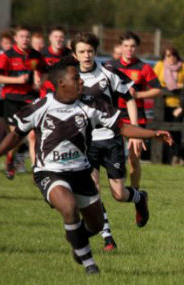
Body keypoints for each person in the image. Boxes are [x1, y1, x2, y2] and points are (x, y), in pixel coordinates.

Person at [0, 58, 172, 274]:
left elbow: (122, 127)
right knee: (69, 209)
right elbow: (16, 134)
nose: (81, 82)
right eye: (76, 78)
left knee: (96, 226)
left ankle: (77, 241)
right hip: (49, 172)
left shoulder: (90, 105)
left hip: (80, 173)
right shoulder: (42, 106)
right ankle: (90, 265)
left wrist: (153, 134)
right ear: (61, 83)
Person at [71, 32, 145, 252]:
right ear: (75, 54)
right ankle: (107, 237)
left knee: (119, 194)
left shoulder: (108, 72)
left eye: (90, 51)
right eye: (82, 52)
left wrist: (134, 131)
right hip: (87, 142)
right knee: (93, 191)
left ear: (95, 52)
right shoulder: (70, 76)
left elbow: (130, 98)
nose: (86, 56)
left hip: (111, 139)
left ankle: (140, 197)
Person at [107, 31, 162, 189]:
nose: (129, 49)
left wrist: (138, 94)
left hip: (136, 117)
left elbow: (158, 90)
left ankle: (135, 190)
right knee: (113, 155)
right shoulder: (110, 66)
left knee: (134, 158)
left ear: (136, 48)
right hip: (114, 116)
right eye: (125, 46)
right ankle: (117, 187)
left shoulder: (144, 67)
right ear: (120, 47)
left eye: (132, 46)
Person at [0, 26, 46, 179]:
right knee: (16, 135)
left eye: (27, 36)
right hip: (11, 98)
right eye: (22, 36)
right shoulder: (7, 56)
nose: (25, 39)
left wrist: (40, 80)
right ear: (15, 38)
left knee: (34, 135)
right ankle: (10, 161)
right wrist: (16, 80)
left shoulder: (35, 55)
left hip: (30, 98)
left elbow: (45, 71)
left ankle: (37, 171)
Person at [153, 45, 184, 166]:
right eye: (168, 55)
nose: (171, 58)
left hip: (178, 105)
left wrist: (180, 86)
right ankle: (164, 157)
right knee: (163, 132)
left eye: (174, 55)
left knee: (176, 132)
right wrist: (164, 87)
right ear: (164, 56)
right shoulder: (160, 65)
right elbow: (153, 81)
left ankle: (176, 156)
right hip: (161, 105)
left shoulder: (183, 66)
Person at [39, 26, 72, 97]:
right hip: (46, 93)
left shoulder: (70, 55)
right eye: (56, 37)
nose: (58, 39)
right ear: (50, 38)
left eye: (61, 37)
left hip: (63, 92)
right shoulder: (42, 54)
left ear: (65, 39)